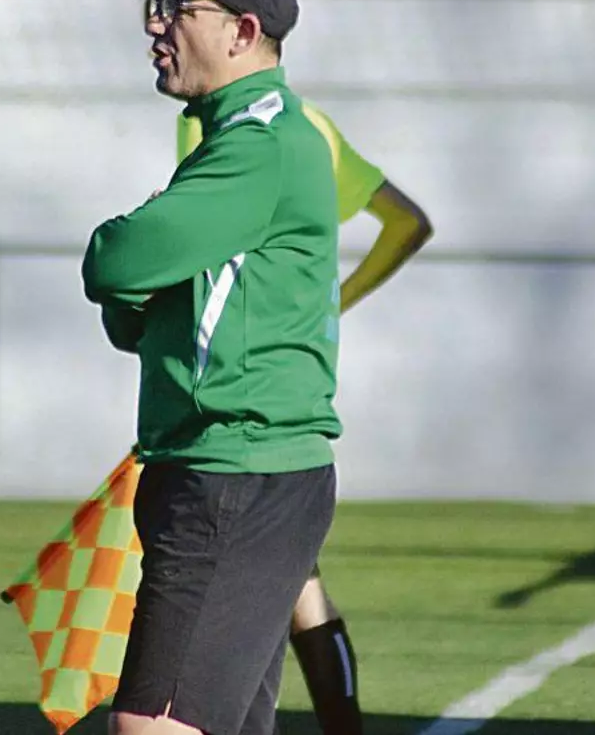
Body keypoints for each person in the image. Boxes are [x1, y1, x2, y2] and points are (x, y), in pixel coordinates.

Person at [81, 0, 342, 735]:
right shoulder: (238, 136)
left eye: (176, 8)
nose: (154, 25)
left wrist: (122, 260)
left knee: (152, 725)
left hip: (232, 477)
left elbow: (117, 261)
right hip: (233, 473)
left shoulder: (260, 145)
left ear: (242, 31)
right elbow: (134, 311)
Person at [176, 103, 433, 735]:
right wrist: (331, 307)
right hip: (292, 389)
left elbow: (193, 251)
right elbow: (408, 223)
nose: (163, 49)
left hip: (238, 396)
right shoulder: (311, 125)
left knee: (238, 586)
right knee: (296, 583)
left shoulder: (218, 124)